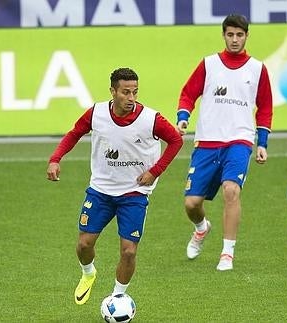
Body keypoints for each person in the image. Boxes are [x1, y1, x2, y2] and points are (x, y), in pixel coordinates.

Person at [46, 67, 183, 305]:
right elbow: (74, 133)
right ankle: (89, 273)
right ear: (113, 91)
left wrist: (154, 171)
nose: (131, 98)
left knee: (129, 251)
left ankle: (118, 296)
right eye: (125, 92)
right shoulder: (96, 113)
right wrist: (55, 159)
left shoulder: (151, 119)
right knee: (83, 244)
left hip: (134, 193)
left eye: (135, 92)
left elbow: (176, 140)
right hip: (101, 190)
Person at [176, 13, 273, 271]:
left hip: (239, 141)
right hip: (207, 141)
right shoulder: (209, 64)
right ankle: (201, 228)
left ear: (246, 36)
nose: (234, 39)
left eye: (239, 35)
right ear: (224, 35)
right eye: (230, 34)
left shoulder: (257, 69)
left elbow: (265, 107)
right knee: (192, 203)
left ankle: (227, 254)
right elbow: (188, 93)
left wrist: (262, 142)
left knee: (231, 190)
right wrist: (183, 117)